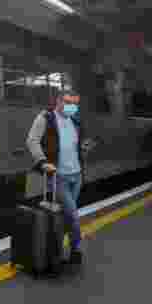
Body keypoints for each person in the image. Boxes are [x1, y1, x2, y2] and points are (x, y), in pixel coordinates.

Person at [26, 89, 95, 266]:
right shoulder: (46, 118)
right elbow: (32, 140)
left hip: (76, 175)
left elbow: (78, 145)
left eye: (75, 104)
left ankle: (53, 250)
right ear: (58, 101)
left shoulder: (75, 120)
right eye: (68, 102)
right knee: (73, 214)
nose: (72, 107)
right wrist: (42, 161)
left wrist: (85, 148)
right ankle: (76, 249)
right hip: (59, 177)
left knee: (66, 215)